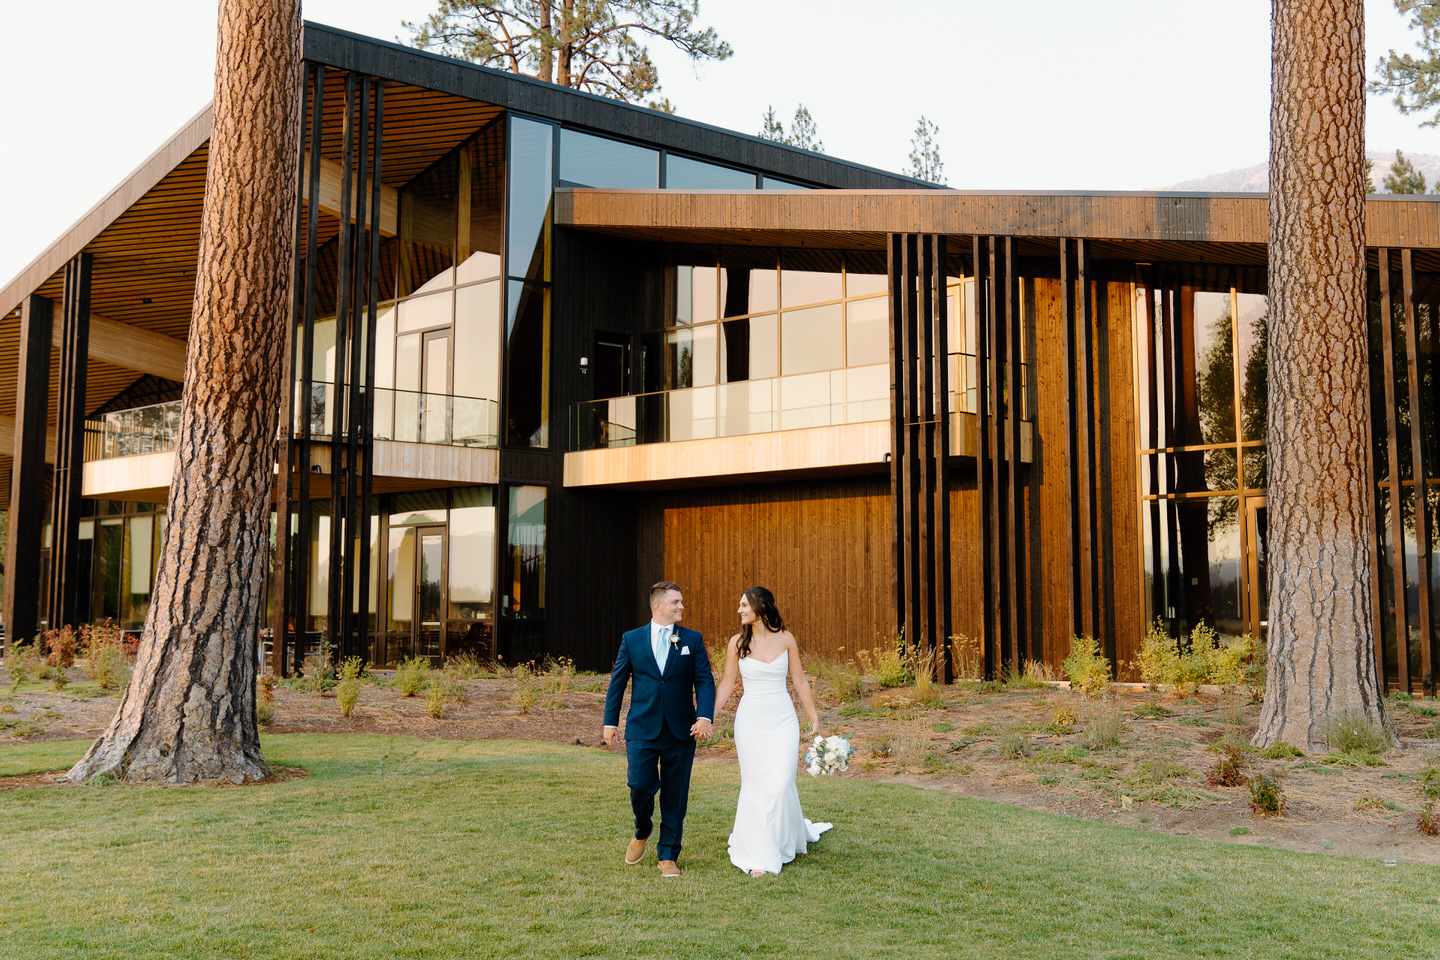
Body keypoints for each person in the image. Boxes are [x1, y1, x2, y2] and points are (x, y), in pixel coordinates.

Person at [713, 585, 832, 877]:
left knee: (780, 783)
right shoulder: (736, 643)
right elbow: (727, 684)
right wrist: (707, 717)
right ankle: (760, 853)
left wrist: (814, 717)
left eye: (744, 605)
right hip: (750, 721)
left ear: (761, 606)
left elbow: (800, 681)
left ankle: (784, 837)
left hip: (783, 720)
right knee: (755, 785)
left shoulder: (786, 639)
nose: (739, 610)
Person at [603, 580, 716, 878]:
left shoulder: (692, 639)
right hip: (642, 726)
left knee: (675, 793)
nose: (681, 606)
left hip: (681, 730)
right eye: (675, 602)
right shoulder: (632, 639)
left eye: (681, 601)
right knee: (639, 784)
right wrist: (610, 722)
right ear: (658, 606)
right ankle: (643, 828)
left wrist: (705, 716)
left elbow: (704, 680)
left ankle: (668, 855)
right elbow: (618, 682)